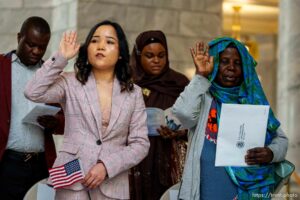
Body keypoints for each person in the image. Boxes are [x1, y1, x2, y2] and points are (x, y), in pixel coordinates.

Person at [24, 20, 150, 200]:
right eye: (94, 40)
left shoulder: (134, 93)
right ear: (87, 48)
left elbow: (140, 144)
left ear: (121, 53)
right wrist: (61, 58)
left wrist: (107, 166)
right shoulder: (70, 82)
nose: (100, 46)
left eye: (109, 42)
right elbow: (32, 91)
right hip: (71, 179)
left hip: (112, 185)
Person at [172, 37, 288, 200]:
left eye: (238, 63)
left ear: (246, 68)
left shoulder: (253, 100)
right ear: (214, 64)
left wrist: (271, 153)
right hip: (204, 192)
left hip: (245, 193)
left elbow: (281, 139)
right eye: (224, 61)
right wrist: (200, 76)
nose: (231, 68)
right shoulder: (203, 97)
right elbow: (183, 115)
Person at [0, 16, 64, 200]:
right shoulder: (1, 66)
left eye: (42, 47)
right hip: (7, 163)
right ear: (19, 37)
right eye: (31, 44)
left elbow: (65, 120)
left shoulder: (50, 74)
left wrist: (55, 122)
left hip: (41, 164)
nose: (36, 51)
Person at [129, 30, 189, 200]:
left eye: (161, 55)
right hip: (136, 158)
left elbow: (196, 122)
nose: (156, 61)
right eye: (149, 55)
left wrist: (180, 132)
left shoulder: (179, 83)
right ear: (138, 55)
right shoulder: (129, 83)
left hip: (169, 157)